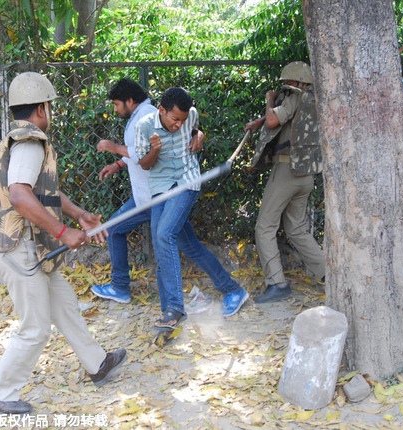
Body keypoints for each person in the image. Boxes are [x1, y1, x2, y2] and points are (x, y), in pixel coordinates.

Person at [0, 72, 127, 415]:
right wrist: (64, 232)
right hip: (16, 246)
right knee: (35, 327)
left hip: (26, 245)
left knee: (64, 302)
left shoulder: (20, 138)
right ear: (43, 108)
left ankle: (97, 363)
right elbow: (20, 196)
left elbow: (40, 191)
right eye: (51, 107)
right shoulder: (31, 141)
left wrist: (78, 215)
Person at [135, 87, 249, 328]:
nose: (179, 125)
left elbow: (195, 129)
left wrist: (200, 134)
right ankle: (232, 290)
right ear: (162, 110)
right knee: (183, 245)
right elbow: (144, 165)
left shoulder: (191, 116)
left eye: (183, 120)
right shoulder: (144, 126)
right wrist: (154, 149)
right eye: (175, 119)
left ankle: (173, 309)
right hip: (161, 187)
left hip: (187, 181)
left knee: (164, 235)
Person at [90, 79, 205, 309]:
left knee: (119, 230)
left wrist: (113, 147)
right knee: (184, 242)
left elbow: (142, 152)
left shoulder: (147, 117)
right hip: (149, 195)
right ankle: (216, 288)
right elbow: (136, 152)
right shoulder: (142, 115)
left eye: (116, 104)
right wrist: (118, 165)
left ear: (129, 101)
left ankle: (127, 289)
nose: (115, 109)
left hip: (155, 195)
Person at [244, 61, 325, 303]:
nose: (285, 88)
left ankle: (277, 283)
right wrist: (258, 121)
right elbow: (286, 119)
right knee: (296, 228)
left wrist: (269, 100)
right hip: (306, 173)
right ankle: (330, 274)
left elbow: (274, 120)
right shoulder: (314, 100)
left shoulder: (295, 96)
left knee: (265, 227)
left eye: (289, 83)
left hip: (287, 170)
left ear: (300, 83)